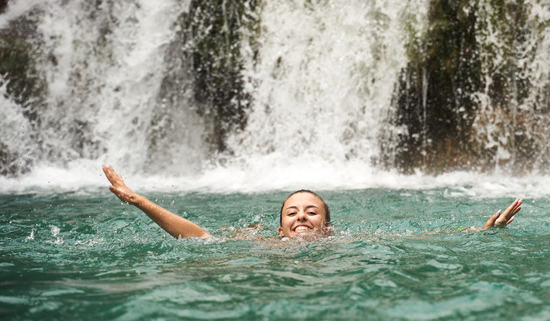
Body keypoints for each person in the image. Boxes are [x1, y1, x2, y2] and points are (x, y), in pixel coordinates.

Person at [102, 165, 522, 240]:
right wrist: (140, 201)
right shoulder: (261, 245)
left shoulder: (345, 243)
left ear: (328, 225)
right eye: (292, 212)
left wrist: (480, 232)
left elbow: (428, 238)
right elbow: (198, 236)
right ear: (280, 227)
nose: (301, 215)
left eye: (310, 211)